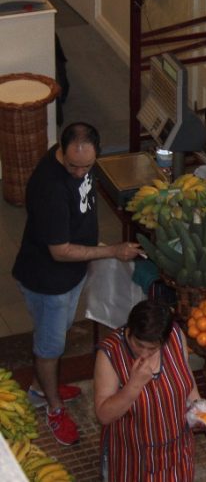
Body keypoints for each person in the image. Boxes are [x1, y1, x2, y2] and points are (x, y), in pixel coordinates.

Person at [12, 122, 143, 445]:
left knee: (59, 333)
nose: (79, 171)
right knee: (50, 347)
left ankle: (44, 386)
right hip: (49, 282)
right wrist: (112, 251)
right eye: (73, 165)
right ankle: (52, 405)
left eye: (86, 165)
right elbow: (60, 251)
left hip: (71, 276)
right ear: (61, 150)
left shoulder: (80, 163)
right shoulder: (50, 188)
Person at [94, 300, 200, 481]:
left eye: (152, 349)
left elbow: (184, 372)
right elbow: (103, 415)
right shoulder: (110, 353)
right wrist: (134, 385)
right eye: (138, 345)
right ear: (129, 331)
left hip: (177, 450)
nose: (143, 353)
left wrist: (198, 406)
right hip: (134, 456)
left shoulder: (175, 335)